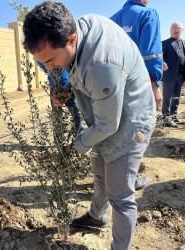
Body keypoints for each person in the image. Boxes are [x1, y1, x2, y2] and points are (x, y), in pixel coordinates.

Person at [22, 2, 156, 249]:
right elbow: (82, 75)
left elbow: (107, 125)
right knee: (99, 170)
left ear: (71, 40)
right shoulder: (80, 28)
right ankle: (96, 217)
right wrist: (68, 90)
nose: (49, 68)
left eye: (50, 61)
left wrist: (78, 143)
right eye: (43, 63)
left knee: (121, 195)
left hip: (129, 126)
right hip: (108, 117)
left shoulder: (101, 62)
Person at [110, 0, 163, 190]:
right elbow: (150, 54)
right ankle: (129, 180)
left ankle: (112, 177)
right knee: (136, 131)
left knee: (115, 129)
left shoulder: (112, 20)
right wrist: (155, 86)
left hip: (114, 85)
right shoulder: (148, 14)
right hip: (137, 86)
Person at [161, 22, 185, 127]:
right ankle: (166, 118)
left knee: (177, 96)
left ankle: (174, 116)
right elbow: (158, 55)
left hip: (181, 74)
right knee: (167, 97)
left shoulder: (184, 42)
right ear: (170, 30)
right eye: (174, 28)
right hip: (169, 74)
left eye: (178, 28)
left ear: (182, 30)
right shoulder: (164, 43)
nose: (176, 30)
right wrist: (161, 62)